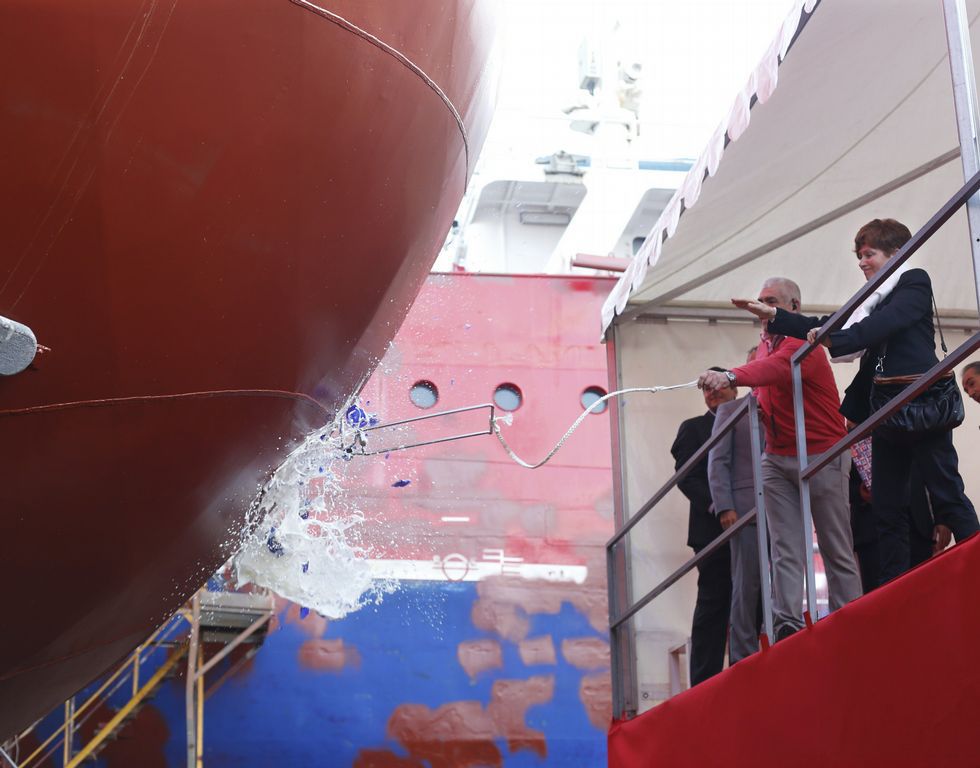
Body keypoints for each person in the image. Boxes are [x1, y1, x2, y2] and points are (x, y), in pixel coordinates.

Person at [733, 219, 979, 585]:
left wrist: (835, 340)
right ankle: (896, 588)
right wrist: (776, 317)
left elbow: (877, 327)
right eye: (859, 256)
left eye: (869, 254)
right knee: (887, 505)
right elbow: (834, 324)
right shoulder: (872, 298)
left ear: (896, 254)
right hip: (886, 407)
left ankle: (973, 568)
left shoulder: (914, 280)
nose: (862, 262)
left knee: (946, 491)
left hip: (920, 400)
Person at [699, 277, 863, 641]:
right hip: (778, 455)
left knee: (835, 543)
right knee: (784, 546)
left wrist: (729, 375)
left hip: (822, 452)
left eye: (769, 300)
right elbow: (765, 378)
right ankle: (786, 622)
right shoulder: (766, 344)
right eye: (759, 299)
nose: (760, 306)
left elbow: (776, 370)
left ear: (794, 308)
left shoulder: (801, 342)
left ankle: (849, 617)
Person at [670, 373, 735, 685]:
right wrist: (718, 506)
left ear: (735, 389)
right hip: (712, 530)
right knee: (714, 601)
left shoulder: (752, 420)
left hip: (753, 525)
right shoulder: (693, 428)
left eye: (718, 387)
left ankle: (747, 668)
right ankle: (704, 681)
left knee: (753, 599)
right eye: (706, 390)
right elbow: (687, 476)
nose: (711, 394)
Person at [707, 376, 764, 662]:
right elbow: (718, 461)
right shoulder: (731, 410)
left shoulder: (787, 407)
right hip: (744, 509)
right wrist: (724, 506)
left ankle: (778, 638)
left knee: (783, 576)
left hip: (782, 506)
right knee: (746, 582)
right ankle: (743, 652)